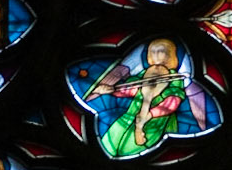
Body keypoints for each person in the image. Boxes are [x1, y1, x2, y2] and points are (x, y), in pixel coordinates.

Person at [84, 39, 212, 158]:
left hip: (156, 123)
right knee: (111, 141)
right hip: (131, 115)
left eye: (162, 52)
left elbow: (172, 101)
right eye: (153, 52)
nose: (157, 56)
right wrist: (111, 90)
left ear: (171, 56)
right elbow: (132, 89)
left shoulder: (175, 78)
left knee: (132, 149)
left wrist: (150, 115)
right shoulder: (146, 72)